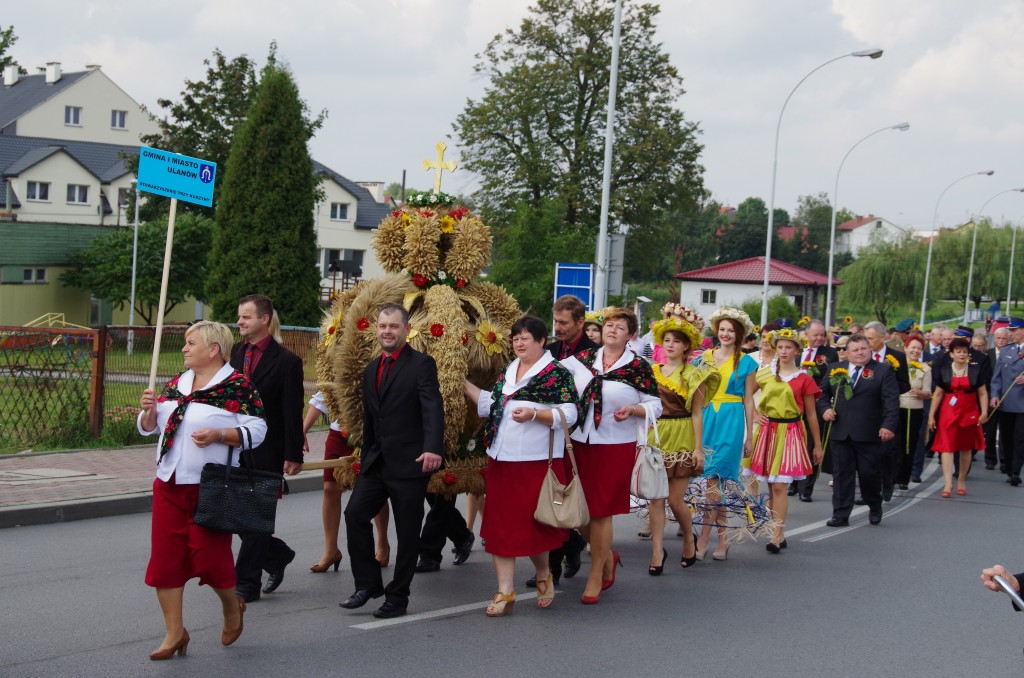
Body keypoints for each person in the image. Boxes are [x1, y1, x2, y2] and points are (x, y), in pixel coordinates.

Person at [138, 321, 267, 659]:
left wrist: (220, 435)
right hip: (168, 484)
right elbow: (152, 427)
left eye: (190, 343)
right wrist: (149, 413)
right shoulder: (176, 384)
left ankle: (232, 606)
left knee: (210, 559)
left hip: (210, 486)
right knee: (165, 561)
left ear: (213, 349)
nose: (184, 348)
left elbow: (258, 430)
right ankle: (174, 633)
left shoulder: (237, 387)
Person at [464, 315, 579, 616]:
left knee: (533, 527)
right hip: (501, 459)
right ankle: (505, 591)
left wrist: (535, 415)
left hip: (536, 461)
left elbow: (570, 414)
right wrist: (461, 383)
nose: (519, 343)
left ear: (541, 341)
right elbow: (492, 404)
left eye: (525, 337)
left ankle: (543, 573)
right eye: (515, 338)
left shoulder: (556, 373)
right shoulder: (509, 369)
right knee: (501, 528)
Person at [339, 304, 445, 619]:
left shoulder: (422, 364)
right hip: (377, 462)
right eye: (383, 326)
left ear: (407, 329)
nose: (387, 331)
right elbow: (372, 418)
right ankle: (368, 583)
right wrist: (366, 455)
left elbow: (432, 407)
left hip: (411, 462)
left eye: (394, 326)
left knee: (407, 534)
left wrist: (433, 447)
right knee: (354, 515)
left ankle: (397, 597)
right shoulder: (371, 368)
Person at [561, 307, 662, 604]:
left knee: (601, 511)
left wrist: (635, 409)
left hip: (615, 445)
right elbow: (550, 375)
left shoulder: (638, 367)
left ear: (630, 335)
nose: (612, 330)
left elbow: (656, 405)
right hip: (579, 441)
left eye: (620, 326)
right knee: (575, 510)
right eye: (609, 325)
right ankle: (607, 557)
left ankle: (596, 574)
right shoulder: (582, 359)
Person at [231, 295, 305, 603]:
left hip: (268, 449)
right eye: (239, 316)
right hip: (234, 446)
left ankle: (246, 585)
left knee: (257, 517)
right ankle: (277, 555)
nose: (240, 322)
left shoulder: (287, 361)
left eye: (246, 317)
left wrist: (293, 454)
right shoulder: (234, 353)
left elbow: (292, 410)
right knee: (233, 515)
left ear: (264, 320)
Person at [527, 294, 598, 588]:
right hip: (548, 432)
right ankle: (562, 554)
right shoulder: (550, 350)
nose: (557, 327)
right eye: (555, 321)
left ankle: (562, 556)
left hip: (581, 435)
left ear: (580, 322)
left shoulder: (594, 353)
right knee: (550, 494)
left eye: (564, 322)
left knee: (567, 494)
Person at [645, 313, 720, 573]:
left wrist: (698, 448)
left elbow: (697, 413)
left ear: (686, 346)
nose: (670, 345)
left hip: (682, 434)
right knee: (655, 498)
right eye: (667, 340)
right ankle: (657, 551)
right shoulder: (652, 372)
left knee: (675, 500)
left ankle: (689, 537)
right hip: (657, 435)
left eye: (676, 341)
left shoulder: (694, 375)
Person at [748, 329, 822, 552]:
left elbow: (811, 414)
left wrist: (817, 445)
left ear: (797, 350)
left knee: (781, 485)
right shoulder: (765, 374)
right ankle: (777, 531)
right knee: (772, 487)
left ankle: (776, 534)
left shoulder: (804, 379)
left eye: (788, 347)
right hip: (768, 431)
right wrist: (754, 414)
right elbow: (746, 395)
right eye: (780, 347)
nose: (783, 351)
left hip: (791, 432)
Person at [302, 392, 391, 573]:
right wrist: (303, 430)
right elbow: (322, 396)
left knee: (375, 489)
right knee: (329, 489)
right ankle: (331, 550)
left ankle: (382, 543)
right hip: (339, 433)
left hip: (368, 432)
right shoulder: (332, 372)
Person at [818, 333, 899, 527]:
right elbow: (821, 395)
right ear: (847, 352)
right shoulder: (835, 369)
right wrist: (825, 409)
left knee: (869, 475)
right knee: (842, 476)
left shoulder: (883, 371)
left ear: (870, 349)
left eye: (863, 348)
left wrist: (888, 425)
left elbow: (891, 401)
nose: (860, 353)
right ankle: (840, 514)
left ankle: (874, 505)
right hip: (841, 432)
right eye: (855, 350)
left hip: (869, 433)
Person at [696, 307, 757, 561]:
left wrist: (749, 436)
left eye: (731, 330)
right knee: (713, 481)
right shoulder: (703, 358)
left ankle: (703, 538)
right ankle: (723, 539)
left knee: (716, 479)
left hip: (731, 420)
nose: (725, 334)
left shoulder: (747, 362)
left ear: (739, 333)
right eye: (722, 329)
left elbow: (749, 401)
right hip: (707, 416)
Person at [929, 336, 989, 497]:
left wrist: (984, 412)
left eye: (964, 351)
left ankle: (961, 480)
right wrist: (931, 416)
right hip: (948, 411)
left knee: (966, 447)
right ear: (951, 354)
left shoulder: (976, 370)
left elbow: (982, 393)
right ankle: (948, 483)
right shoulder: (945, 370)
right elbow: (938, 394)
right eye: (958, 351)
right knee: (947, 447)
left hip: (969, 411)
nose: (961, 354)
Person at [790, 319, 838, 501]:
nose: (819, 338)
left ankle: (806, 488)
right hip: (795, 404)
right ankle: (793, 483)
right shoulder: (797, 351)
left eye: (821, 335)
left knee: (812, 446)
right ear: (807, 334)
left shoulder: (830, 354)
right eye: (815, 335)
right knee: (795, 444)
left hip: (815, 404)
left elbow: (830, 379)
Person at [864, 321, 910, 502]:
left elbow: (905, 384)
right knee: (868, 452)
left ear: (882, 338)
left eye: (870, 338)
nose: (867, 343)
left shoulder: (897, 356)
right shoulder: (863, 356)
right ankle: (869, 491)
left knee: (888, 451)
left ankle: (888, 483)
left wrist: (887, 387)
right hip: (867, 410)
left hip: (887, 409)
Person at [990, 318, 1024, 486]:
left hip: (1022, 404)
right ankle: (1010, 468)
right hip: (1006, 402)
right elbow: (996, 378)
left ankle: (1016, 471)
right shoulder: (1006, 350)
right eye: (1010, 330)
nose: (1012, 334)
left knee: (1020, 438)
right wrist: (994, 395)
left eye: (1014, 330)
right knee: (1007, 438)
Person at [896, 336, 932, 490]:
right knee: (894, 444)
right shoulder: (896, 365)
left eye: (919, 348)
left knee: (909, 445)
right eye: (913, 347)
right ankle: (890, 476)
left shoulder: (925, 368)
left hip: (914, 410)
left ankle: (904, 478)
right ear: (905, 348)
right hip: (897, 409)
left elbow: (928, 393)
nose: (915, 351)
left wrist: (918, 392)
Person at [984, 327, 1011, 471]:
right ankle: (990, 459)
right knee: (990, 431)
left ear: (1008, 340)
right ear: (994, 339)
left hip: (1007, 398)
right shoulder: (987, 355)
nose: (1001, 341)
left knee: (1005, 432)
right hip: (990, 399)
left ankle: (1005, 461)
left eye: (1004, 338)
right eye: (998, 338)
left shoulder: (1013, 354)